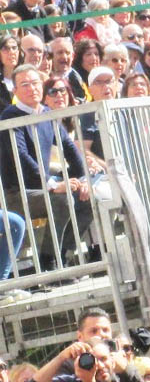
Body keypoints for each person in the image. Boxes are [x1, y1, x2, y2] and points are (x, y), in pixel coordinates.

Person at [0, 64, 93, 272]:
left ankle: (63, 257)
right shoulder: (10, 116)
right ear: (15, 90)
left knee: (88, 198)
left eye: (35, 83)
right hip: (18, 192)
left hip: (42, 187)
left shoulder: (47, 113)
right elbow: (21, 158)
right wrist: (52, 184)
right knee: (62, 199)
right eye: (24, 84)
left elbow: (70, 149)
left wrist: (84, 179)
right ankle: (48, 262)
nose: (32, 88)